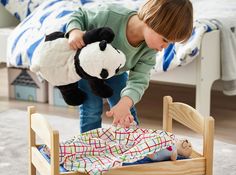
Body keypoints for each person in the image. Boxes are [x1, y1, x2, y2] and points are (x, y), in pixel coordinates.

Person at [65, 0, 193, 133]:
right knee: (91, 109)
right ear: (152, 20)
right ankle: (89, 148)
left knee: (126, 110)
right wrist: (74, 31)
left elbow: (139, 80)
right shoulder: (109, 15)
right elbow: (79, 15)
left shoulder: (150, 50)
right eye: (165, 40)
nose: (165, 47)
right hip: (88, 70)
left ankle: (135, 146)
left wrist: (125, 103)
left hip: (117, 74)